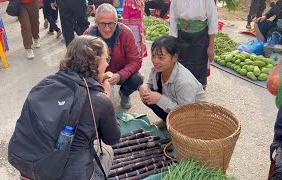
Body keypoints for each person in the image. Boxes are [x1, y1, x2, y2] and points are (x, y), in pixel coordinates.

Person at [13, 35, 121, 180]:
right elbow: (112, 138)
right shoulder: (98, 99)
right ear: (95, 61)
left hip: (29, 168)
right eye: (106, 59)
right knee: (107, 150)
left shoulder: (45, 84)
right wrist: (106, 97)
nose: (107, 65)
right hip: (73, 176)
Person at [84, 3, 143, 109]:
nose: (107, 29)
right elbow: (80, 62)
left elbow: (136, 61)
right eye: (102, 24)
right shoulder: (88, 35)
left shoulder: (126, 33)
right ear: (96, 22)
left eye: (111, 24)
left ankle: (124, 93)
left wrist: (121, 75)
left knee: (137, 79)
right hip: (96, 74)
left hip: (119, 71)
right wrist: (97, 76)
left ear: (117, 21)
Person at [138, 35, 206, 122]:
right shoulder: (158, 69)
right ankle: (167, 121)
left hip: (193, 118)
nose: (155, 61)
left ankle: (174, 125)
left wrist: (160, 99)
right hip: (174, 104)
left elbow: (185, 113)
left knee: (155, 99)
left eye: (161, 57)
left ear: (174, 57)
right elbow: (150, 84)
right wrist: (143, 86)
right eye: (153, 56)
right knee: (147, 96)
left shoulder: (185, 82)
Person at [169, 0, 218, 89]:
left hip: (200, 38)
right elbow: (173, 19)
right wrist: (173, 44)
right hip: (181, 37)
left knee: (199, 70)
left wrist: (211, 47)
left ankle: (198, 99)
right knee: (181, 69)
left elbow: (213, 20)